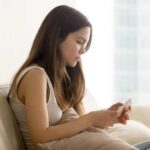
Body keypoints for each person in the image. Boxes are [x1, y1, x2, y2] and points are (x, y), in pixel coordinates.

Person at [7, 5, 140, 150]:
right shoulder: (35, 76)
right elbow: (39, 135)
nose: (83, 50)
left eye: (86, 44)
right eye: (79, 41)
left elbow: (76, 125)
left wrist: (107, 115)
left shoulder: (60, 77)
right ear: (57, 37)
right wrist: (91, 119)